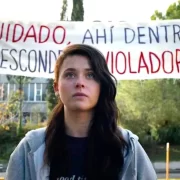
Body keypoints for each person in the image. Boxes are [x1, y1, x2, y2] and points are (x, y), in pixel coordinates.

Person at [6, 44, 157, 180]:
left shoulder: (128, 148)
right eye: (70, 74)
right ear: (56, 87)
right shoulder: (30, 147)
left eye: (90, 75)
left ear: (101, 85)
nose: (80, 83)